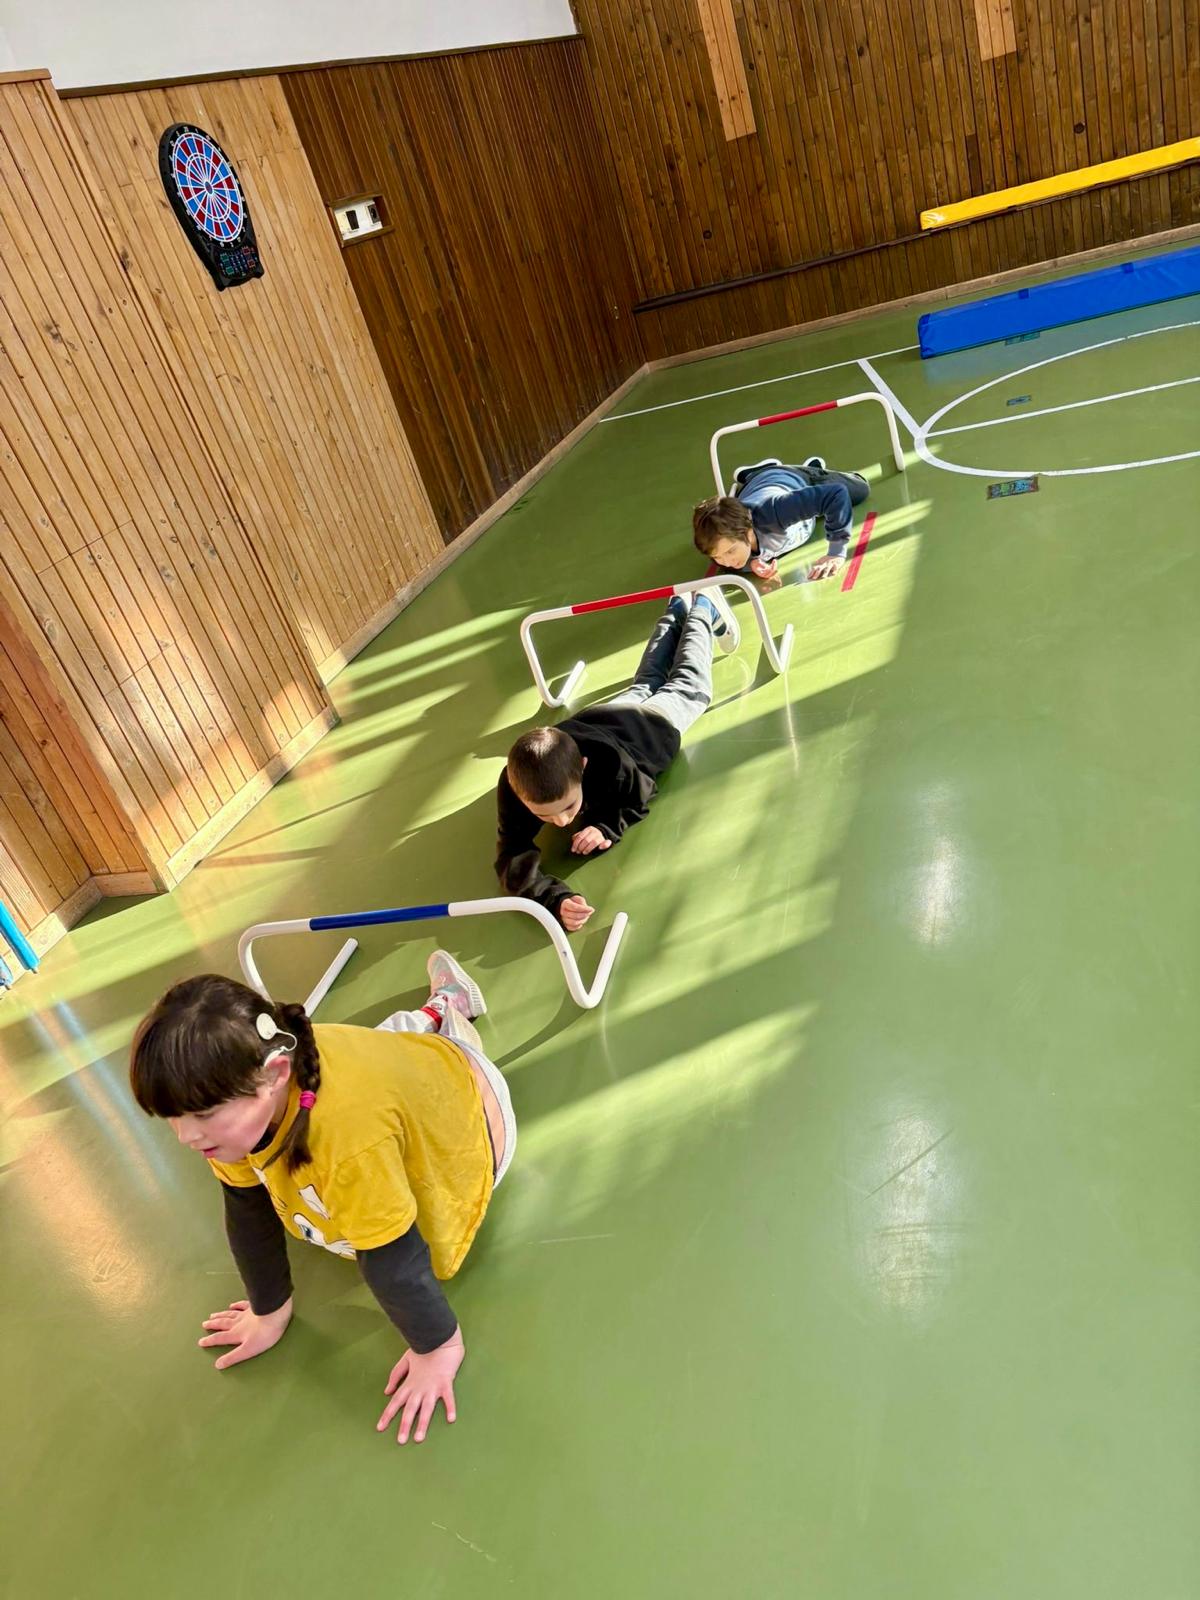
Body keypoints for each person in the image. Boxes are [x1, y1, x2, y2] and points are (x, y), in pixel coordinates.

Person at [128, 951, 512, 1446]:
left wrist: (437, 1347)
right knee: (389, 1042)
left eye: (200, 1116)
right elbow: (246, 1206)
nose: (185, 1136)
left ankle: (448, 1008)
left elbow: (392, 1255)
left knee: (415, 1055)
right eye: (173, 1118)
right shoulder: (238, 1107)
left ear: (275, 1073)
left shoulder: (347, 1144)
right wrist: (269, 1310)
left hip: (475, 1108)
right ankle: (432, 1013)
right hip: (382, 1071)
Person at [496, 591, 737, 931]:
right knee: (648, 681)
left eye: (569, 807)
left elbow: (641, 792)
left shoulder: (611, 764)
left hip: (650, 730)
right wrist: (554, 899)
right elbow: (510, 856)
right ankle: (676, 606)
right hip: (604, 716)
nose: (562, 822)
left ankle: (703, 607)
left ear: (582, 766)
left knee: (688, 684)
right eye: (543, 815)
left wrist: (606, 826)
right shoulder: (514, 783)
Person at [694, 455, 870, 583]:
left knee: (861, 488)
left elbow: (836, 495)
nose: (727, 563)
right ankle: (753, 475)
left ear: (748, 532)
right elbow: (721, 555)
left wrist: (836, 553)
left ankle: (807, 469)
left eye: (731, 551)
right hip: (754, 488)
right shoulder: (722, 548)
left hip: (791, 479)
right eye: (717, 557)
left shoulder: (776, 511)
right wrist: (751, 563)